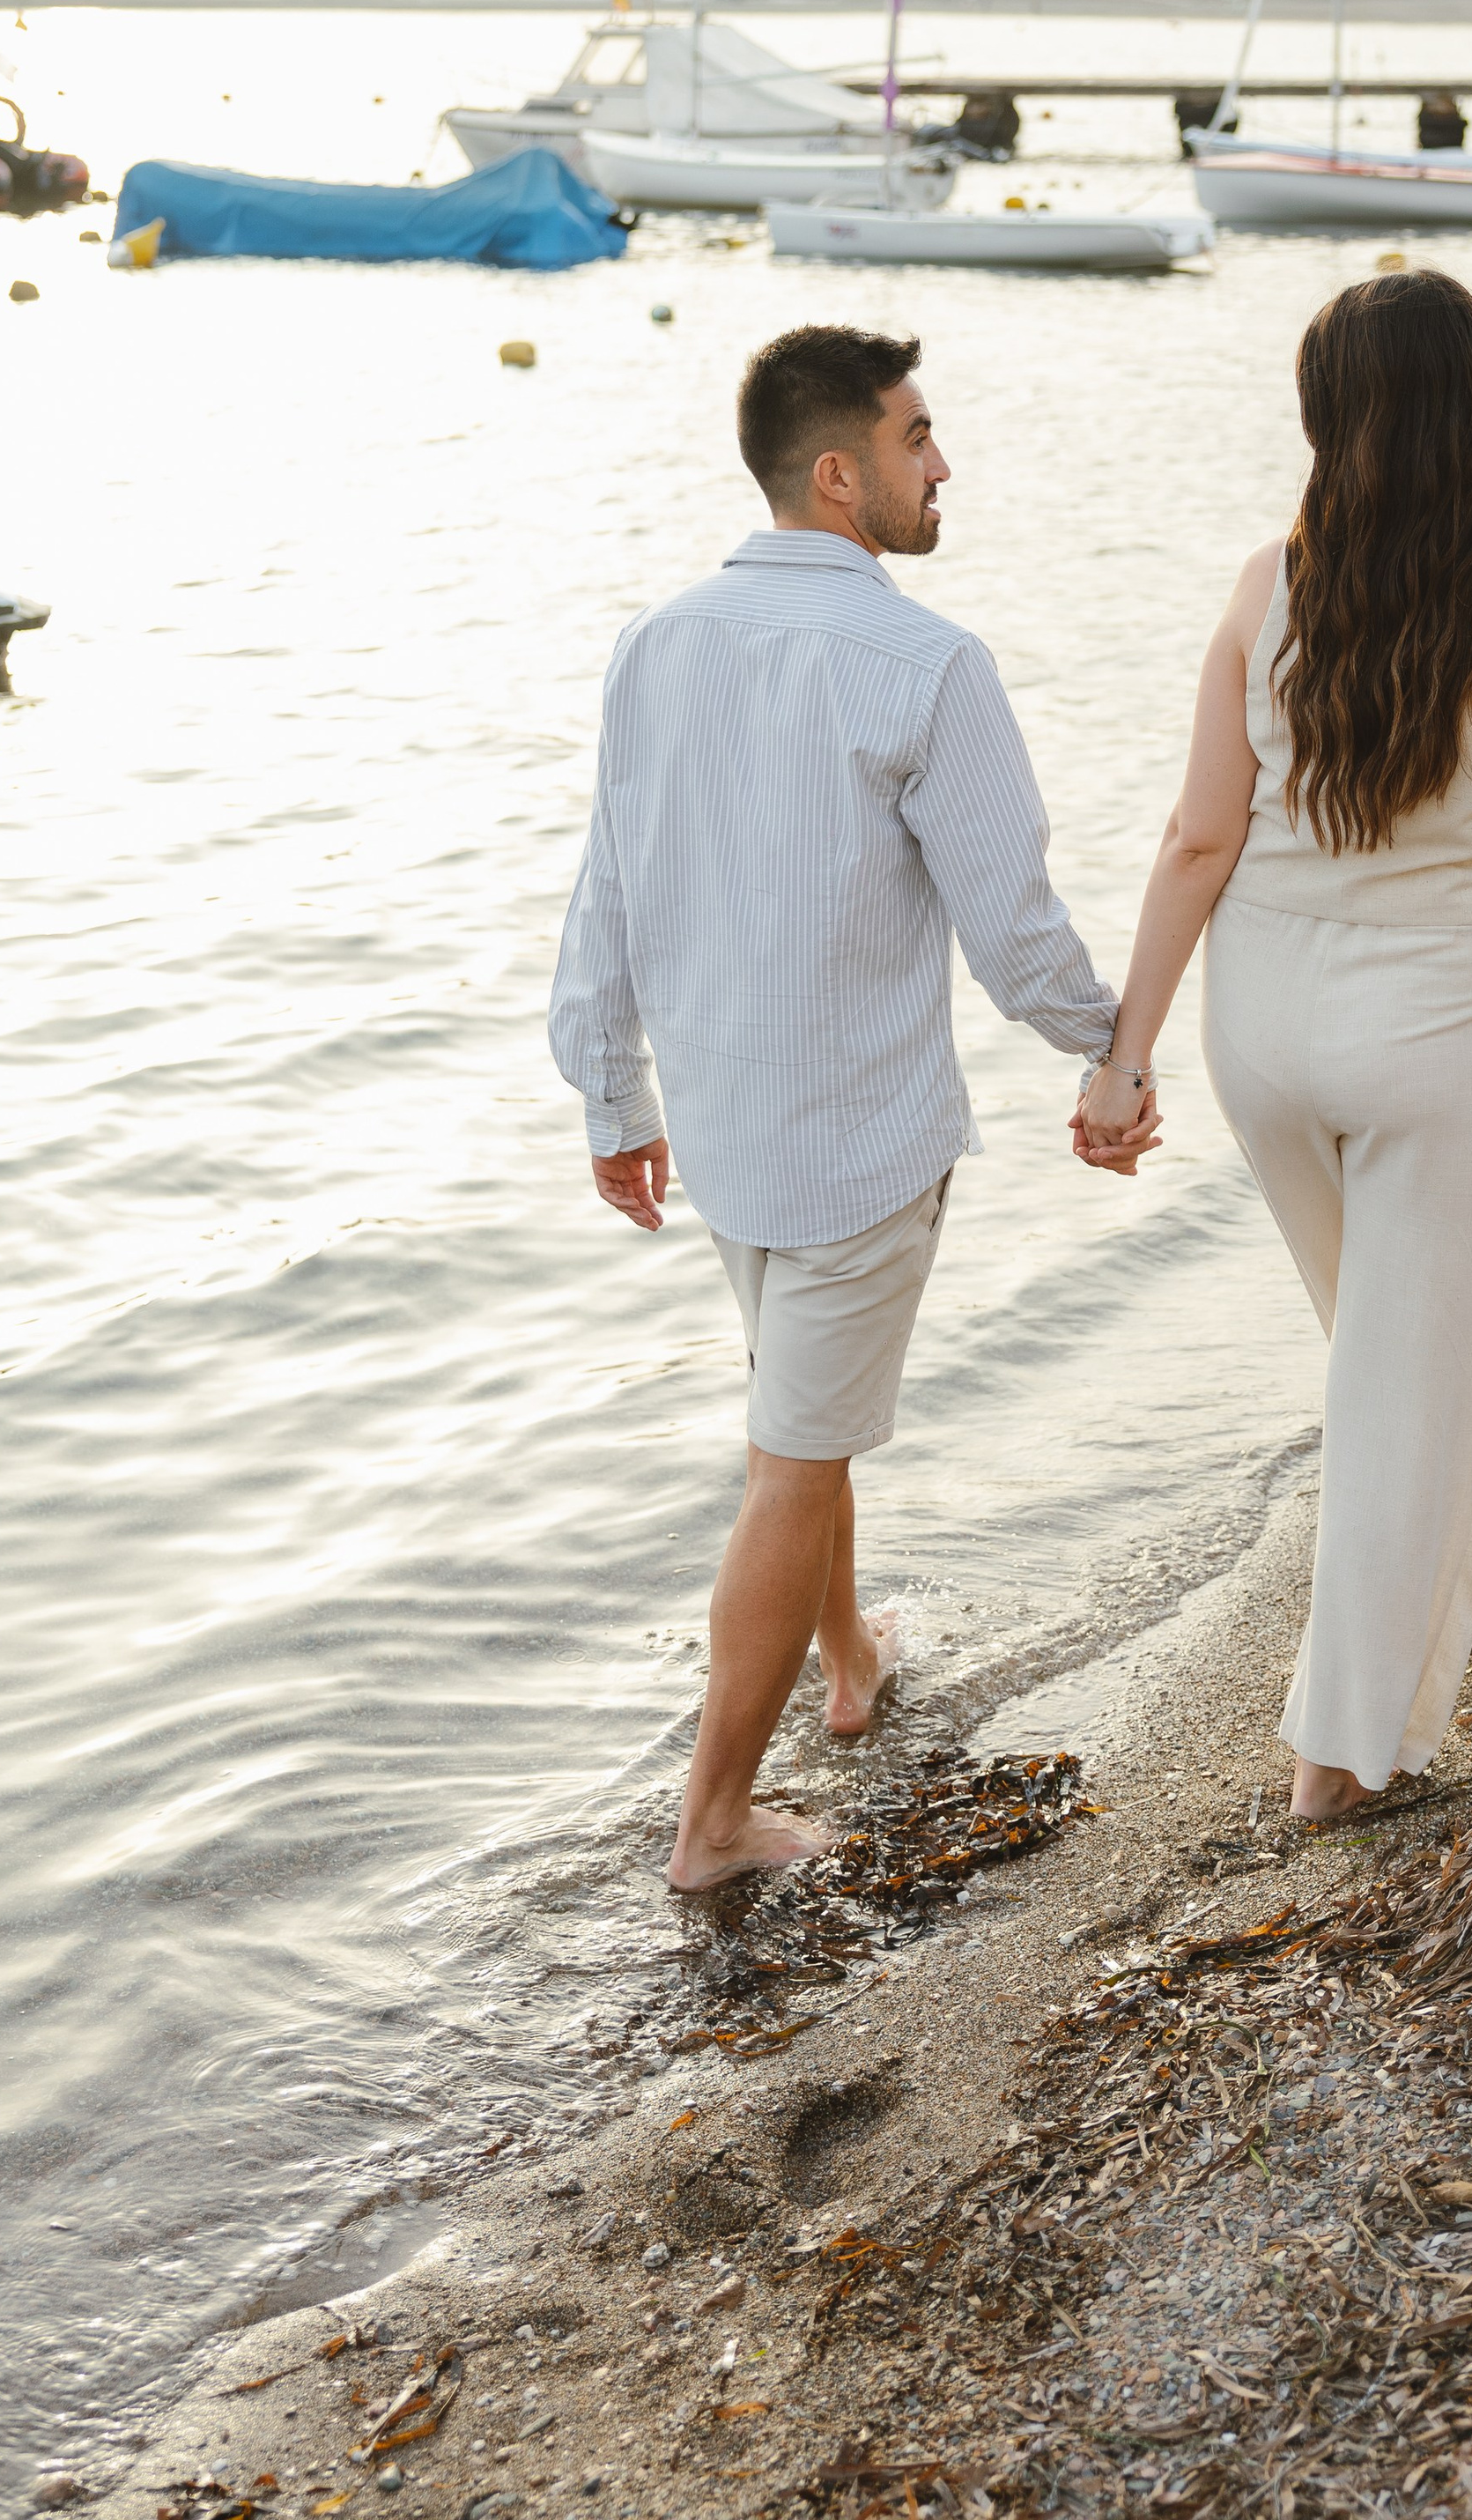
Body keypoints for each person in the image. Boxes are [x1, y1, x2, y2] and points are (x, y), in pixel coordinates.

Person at [550, 323, 1145, 1894]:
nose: (942, 464)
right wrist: (1119, 1047)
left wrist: (611, 1091)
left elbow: (605, 890)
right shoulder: (926, 664)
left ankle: (855, 1668)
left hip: (729, 1134)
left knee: (796, 1421)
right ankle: (713, 1824)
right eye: (919, 438)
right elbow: (1011, 922)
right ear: (840, 473)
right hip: (861, 1149)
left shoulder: (653, 643)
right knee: (793, 1461)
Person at [1074, 268, 1472, 1818]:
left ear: (1334, 419)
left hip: (1269, 1030)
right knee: (1408, 1373)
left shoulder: (1272, 586)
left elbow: (1197, 841)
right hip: (1439, 1037)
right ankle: (1347, 1758)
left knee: (1383, 1343)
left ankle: (1471, 1558)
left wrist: (1128, 1057)